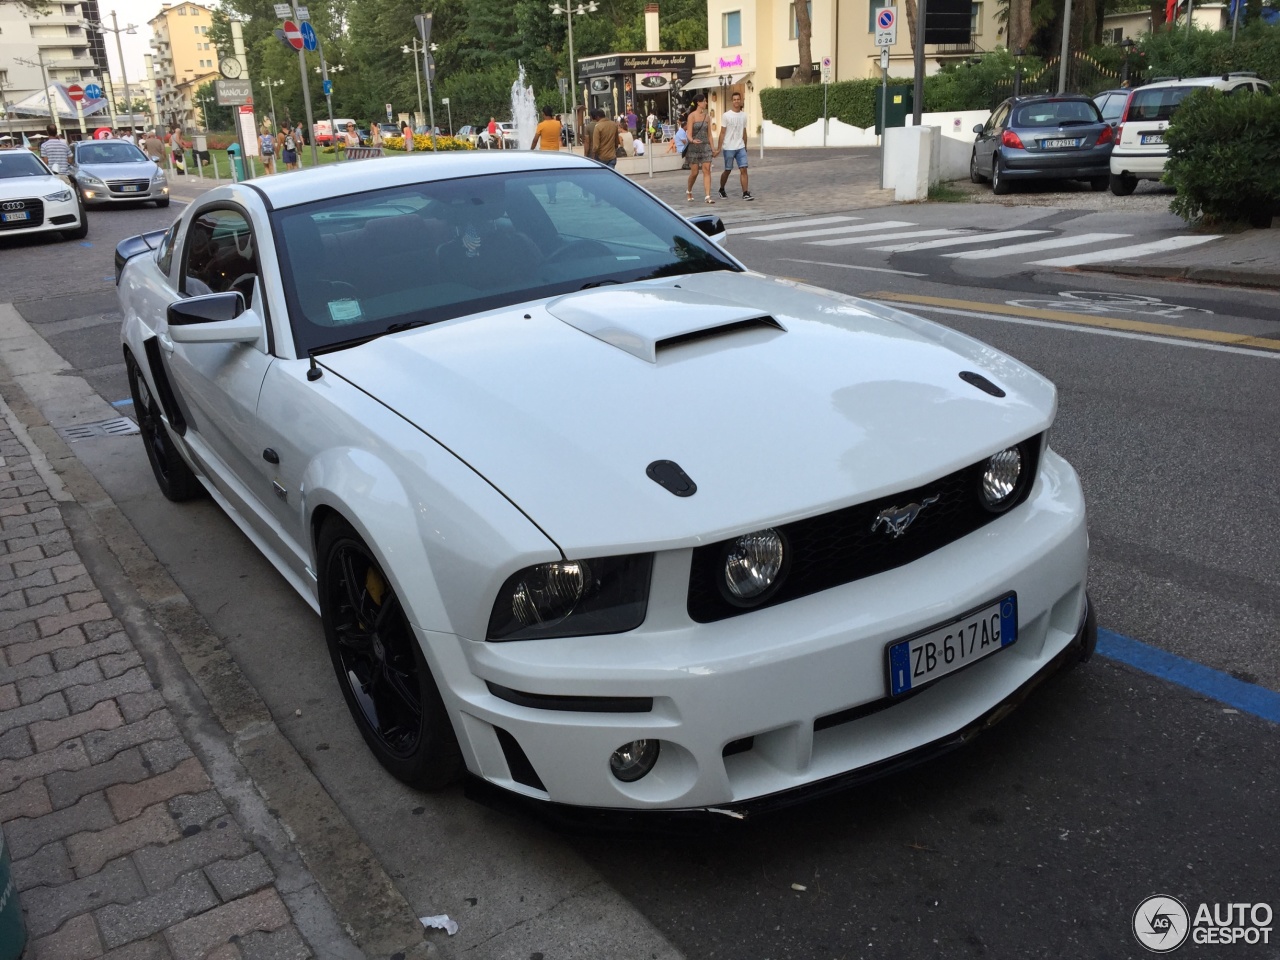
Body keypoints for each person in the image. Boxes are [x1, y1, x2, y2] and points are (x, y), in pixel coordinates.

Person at [716, 90, 754, 201]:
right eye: (734, 100)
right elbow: (722, 132)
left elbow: (744, 131)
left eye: (738, 99)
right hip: (729, 147)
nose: (736, 101)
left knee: (744, 169)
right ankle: (721, 189)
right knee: (727, 170)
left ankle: (745, 193)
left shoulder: (744, 116)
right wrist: (719, 148)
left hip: (740, 146)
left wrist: (745, 146)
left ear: (741, 100)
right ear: (732, 101)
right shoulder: (726, 115)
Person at [684, 93, 715, 203]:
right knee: (695, 172)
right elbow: (689, 133)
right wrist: (692, 140)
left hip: (705, 145)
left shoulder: (707, 117)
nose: (706, 103)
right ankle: (689, 190)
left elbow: (710, 134)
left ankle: (707, 196)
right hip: (694, 147)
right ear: (698, 102)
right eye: (704, 101)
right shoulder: (691, 116)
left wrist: (713, 148)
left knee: (707, 170)